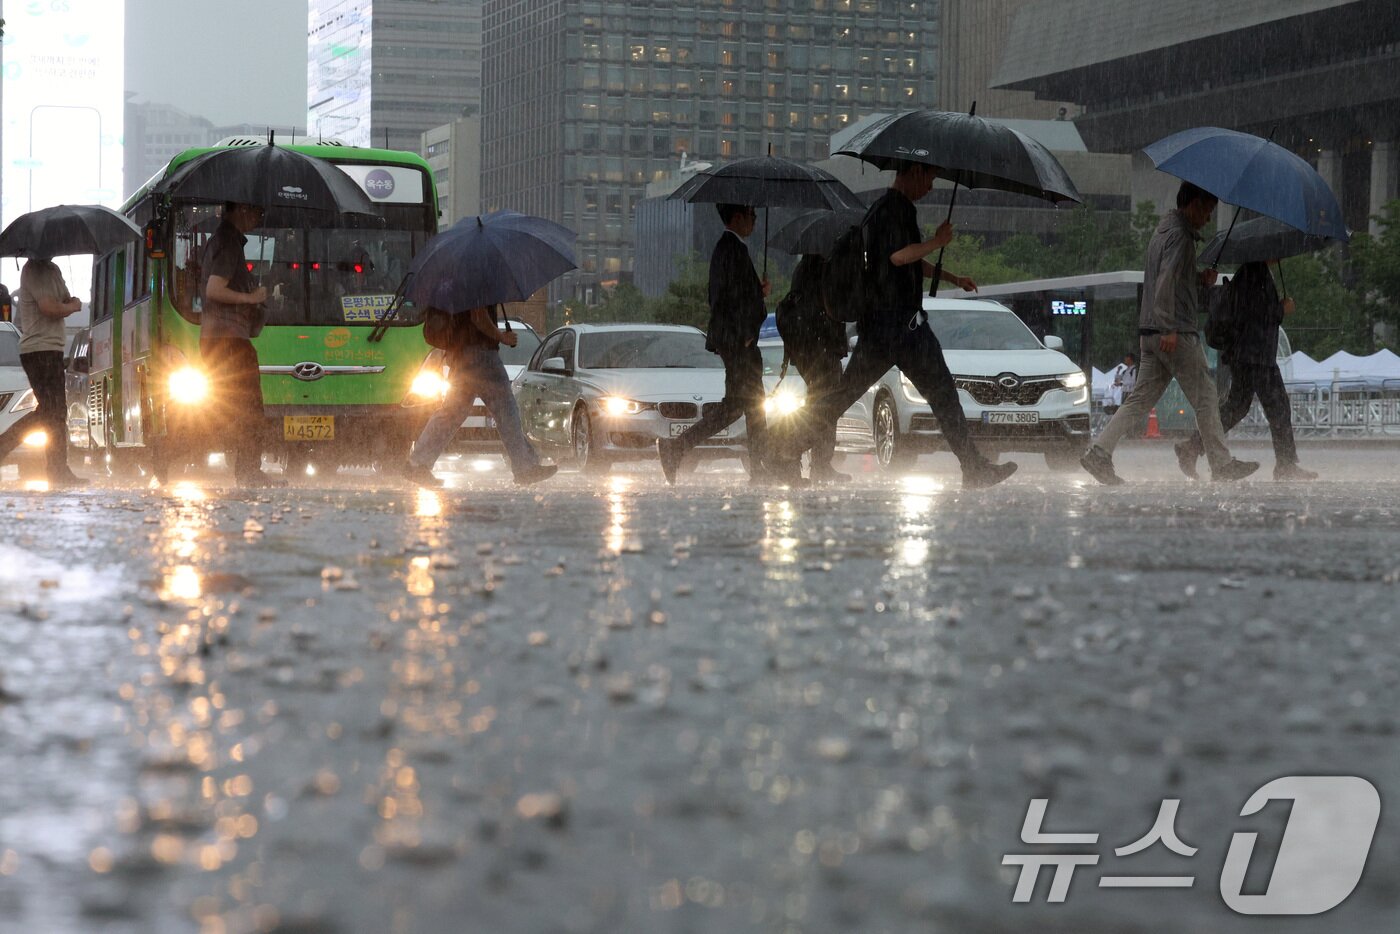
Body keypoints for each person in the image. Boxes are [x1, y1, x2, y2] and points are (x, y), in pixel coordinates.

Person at [775, 161, 1017, 489]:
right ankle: (973, 467)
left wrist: (952, 277)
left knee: (850, 394)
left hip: (887, 326)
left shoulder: (882, 210)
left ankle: (787, 449)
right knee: (939, 394)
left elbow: (905, 261)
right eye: (929, 178)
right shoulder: (893, 210)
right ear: (913, 172)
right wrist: (937, 241)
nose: (930, 186)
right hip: (898, 327)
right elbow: (897, 258)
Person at [1080, 183, 1259, 485]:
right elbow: (1165, 283)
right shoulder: (1180, 238)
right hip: (1174, 331)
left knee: (1138, 401)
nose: (1207, 218)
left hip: (1149, 331)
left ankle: (1099, 453)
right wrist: (1169, 327)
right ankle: (1221, 464)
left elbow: (1173, 279)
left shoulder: (1162, 232)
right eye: (1206, 210)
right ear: (1192, 205)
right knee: (1206, 396)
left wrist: (1200, 279)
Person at [657, 203, 777, 484]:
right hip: (739, 343)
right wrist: (744, 332)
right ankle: (678, 447)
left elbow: (733, 294)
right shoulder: (731, 249)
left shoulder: (729, 249)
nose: (754, 222)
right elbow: (724, 299)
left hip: (736, 341)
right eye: (752, 215)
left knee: (743, 406)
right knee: (746, 406)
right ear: (737, 217)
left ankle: (759, 468)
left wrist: (757, 293)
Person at [1174, 261, 1316, 481]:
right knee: (1276, 407)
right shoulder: (1255, 272)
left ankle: (1193, 446)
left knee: (1238, 406)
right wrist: (1281, 309)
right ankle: (1285, 465)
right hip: (1255, 355)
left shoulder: (1253, 272)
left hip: (1250, 354)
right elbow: (1254, 314)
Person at [403, 305, 556, 488]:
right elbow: (478, 316)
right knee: (506, 411)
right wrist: (502, 337)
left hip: (461, 354)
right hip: (482, 355)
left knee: (452, 413)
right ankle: (525, 467)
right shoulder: (479, 282)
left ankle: (417, 463)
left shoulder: (458, 282)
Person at [199, 201, 284, 487]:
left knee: (233, 406)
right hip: (229, 339)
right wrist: (251, 299)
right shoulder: (228, 243)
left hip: (220, 338)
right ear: (240, 210)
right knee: (249, 406)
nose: (260, 217)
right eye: (257, 211)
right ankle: (248, 471)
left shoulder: (222, 241)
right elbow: (214, 289)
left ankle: (245, 467)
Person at [0, 258, 84, 487]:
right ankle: (57, 470)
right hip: (39, 349)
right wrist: (72, 307)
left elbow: (63, 299)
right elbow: (49, 307)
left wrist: (70, 303)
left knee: (52, 411)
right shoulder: (33, 270)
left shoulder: (53, 269)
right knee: (52, 411)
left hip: (52, 348)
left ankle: (57, 469)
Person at [773, 253, 849, 482]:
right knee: (827, 405)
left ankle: (814, 462)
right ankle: (788, 452)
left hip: (810, 348)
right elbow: (837, 305)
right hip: (820, 347)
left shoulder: (805, 267)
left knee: (821, 402)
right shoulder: (823, 267)